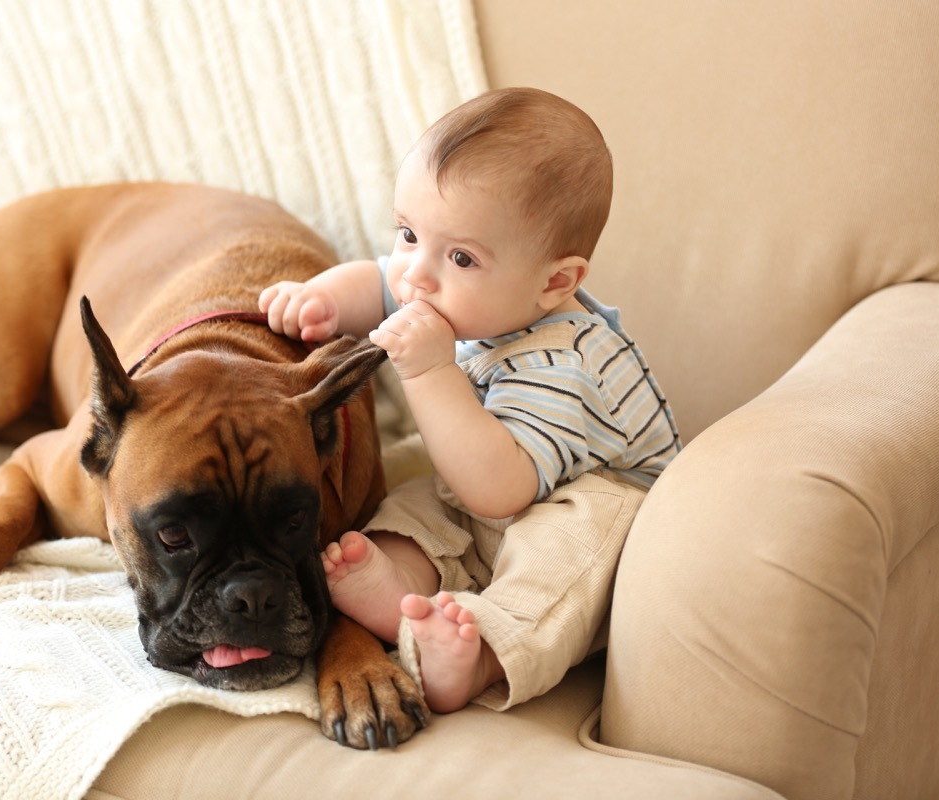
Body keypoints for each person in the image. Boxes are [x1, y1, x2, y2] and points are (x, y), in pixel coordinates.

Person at [259, 87, 681, 714]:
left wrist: (431, 373)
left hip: (590, 500)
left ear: (554, 282)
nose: (416, 275)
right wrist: (319, 300)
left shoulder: (564, 362)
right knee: (416, 499)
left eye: (460, 256)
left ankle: (481, 652)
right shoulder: (446, 287)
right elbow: (377, 280)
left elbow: (499, 492)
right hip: (483, 482)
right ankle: (395, 585)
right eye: (407, 233)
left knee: (561, 560)